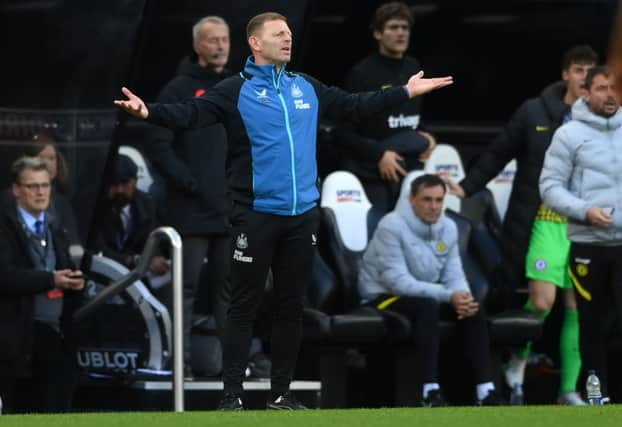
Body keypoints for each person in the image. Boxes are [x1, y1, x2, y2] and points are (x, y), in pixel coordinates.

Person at [114, 11, 453, 410]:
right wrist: (148, 111)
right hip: (254, 214)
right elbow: (189, 114)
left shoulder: (305, 86)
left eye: (289, 34)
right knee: (243, 304)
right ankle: (232, 397)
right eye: (279, 34)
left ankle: (280, 394)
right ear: (256, 43)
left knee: (291, 305)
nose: (288, 39)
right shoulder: (233, 89)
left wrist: (405, 92)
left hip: (302, 215)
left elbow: (354, 106)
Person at [446, 45, 597, 404]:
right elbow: (499, 153)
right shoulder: (534, 112)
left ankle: (568, 391)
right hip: (545, 222)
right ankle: (518, 358)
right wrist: (467, 186)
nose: (584, 78)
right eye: (578, 70)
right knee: (542, 302)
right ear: (565, 74)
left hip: (584, 226)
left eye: (591, 72)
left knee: (578, 307)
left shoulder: (603, 118)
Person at [358, 174, 502, 406]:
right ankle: (429, 391)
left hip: (427, 295)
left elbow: (454, 273)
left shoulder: (448, 227)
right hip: (382, 297)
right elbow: (398, 283)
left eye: (438, 200)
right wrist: (449, 295)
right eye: (427, 199)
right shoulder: (391, 225)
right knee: (428, 307)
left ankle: (486, 391)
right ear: (412, 199)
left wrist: (463, 297)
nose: (433, 206)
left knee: (473, 308)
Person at [146, 16, 232, 379]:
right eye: (213, 40)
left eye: (225, 40)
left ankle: (234, 368)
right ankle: (178, 365)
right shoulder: (177, 89)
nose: (220, 46)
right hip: (191, 211)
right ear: (197, 45)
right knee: (186, 289)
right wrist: (190, 182)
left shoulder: (238, 87)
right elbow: (158, 143)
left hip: (229, 210)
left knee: (231, 291)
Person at [540, 65, 622, 403]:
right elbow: (549, 186)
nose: (610, 95)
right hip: (588, 242)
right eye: (602, 88)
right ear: (585, 92)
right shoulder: (568, 135)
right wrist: (584, 211)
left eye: (615, 88)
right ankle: (596, 392)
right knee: (592, 324)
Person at [0, 156, 85, 413]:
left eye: (45, 185)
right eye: (32, 186)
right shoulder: (4, 227)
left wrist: (76, 281)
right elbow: (5, 275)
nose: (40, 192)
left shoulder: (56, 226)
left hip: (57, 329)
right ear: (16, 190)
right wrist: (51, 279)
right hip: (18, 337)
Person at [335, 2, 436, 213]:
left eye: (405, 28)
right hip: (372, 171)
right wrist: (379, 154)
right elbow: (342, 133)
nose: (401, 33)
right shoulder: (362, 73)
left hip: (409, 168)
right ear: (378, 33)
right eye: (393, 28)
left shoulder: (413, 67)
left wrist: (427, 135)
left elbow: (414, 114)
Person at [90, 153, 170, 281]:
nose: (120, 190)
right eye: (114, 184)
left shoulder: (146, 204)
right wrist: (135, 260)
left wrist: (156, 259)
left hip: (137, 280)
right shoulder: (93, 206)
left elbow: (153, 242)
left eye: (125, 183)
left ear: (136, 180)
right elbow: (97, 249)